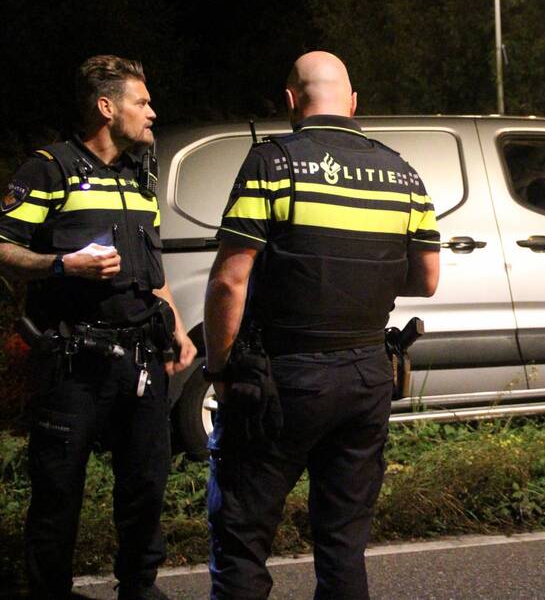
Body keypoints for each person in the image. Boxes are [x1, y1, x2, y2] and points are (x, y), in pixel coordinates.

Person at [204, 50, 440, 600]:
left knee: (243, 539)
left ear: (290, 100)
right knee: (342, 545)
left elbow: (228, 282)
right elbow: (426, 279)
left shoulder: (272, 161)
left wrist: (220, 369)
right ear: (353, 103)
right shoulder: (402, 170)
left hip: (283, 378)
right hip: (366, 377)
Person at [0, 55, 197, 600]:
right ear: (107, 108)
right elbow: (3, 247)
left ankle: (140, 588)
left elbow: (152, 270)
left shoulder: (140, 176)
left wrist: (177, 327)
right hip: (72, 365)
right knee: (58, 494)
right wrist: (61, 264)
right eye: (142, 101)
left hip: (140, 361)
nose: (153, 112)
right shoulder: (50, 168)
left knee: (145, 488)